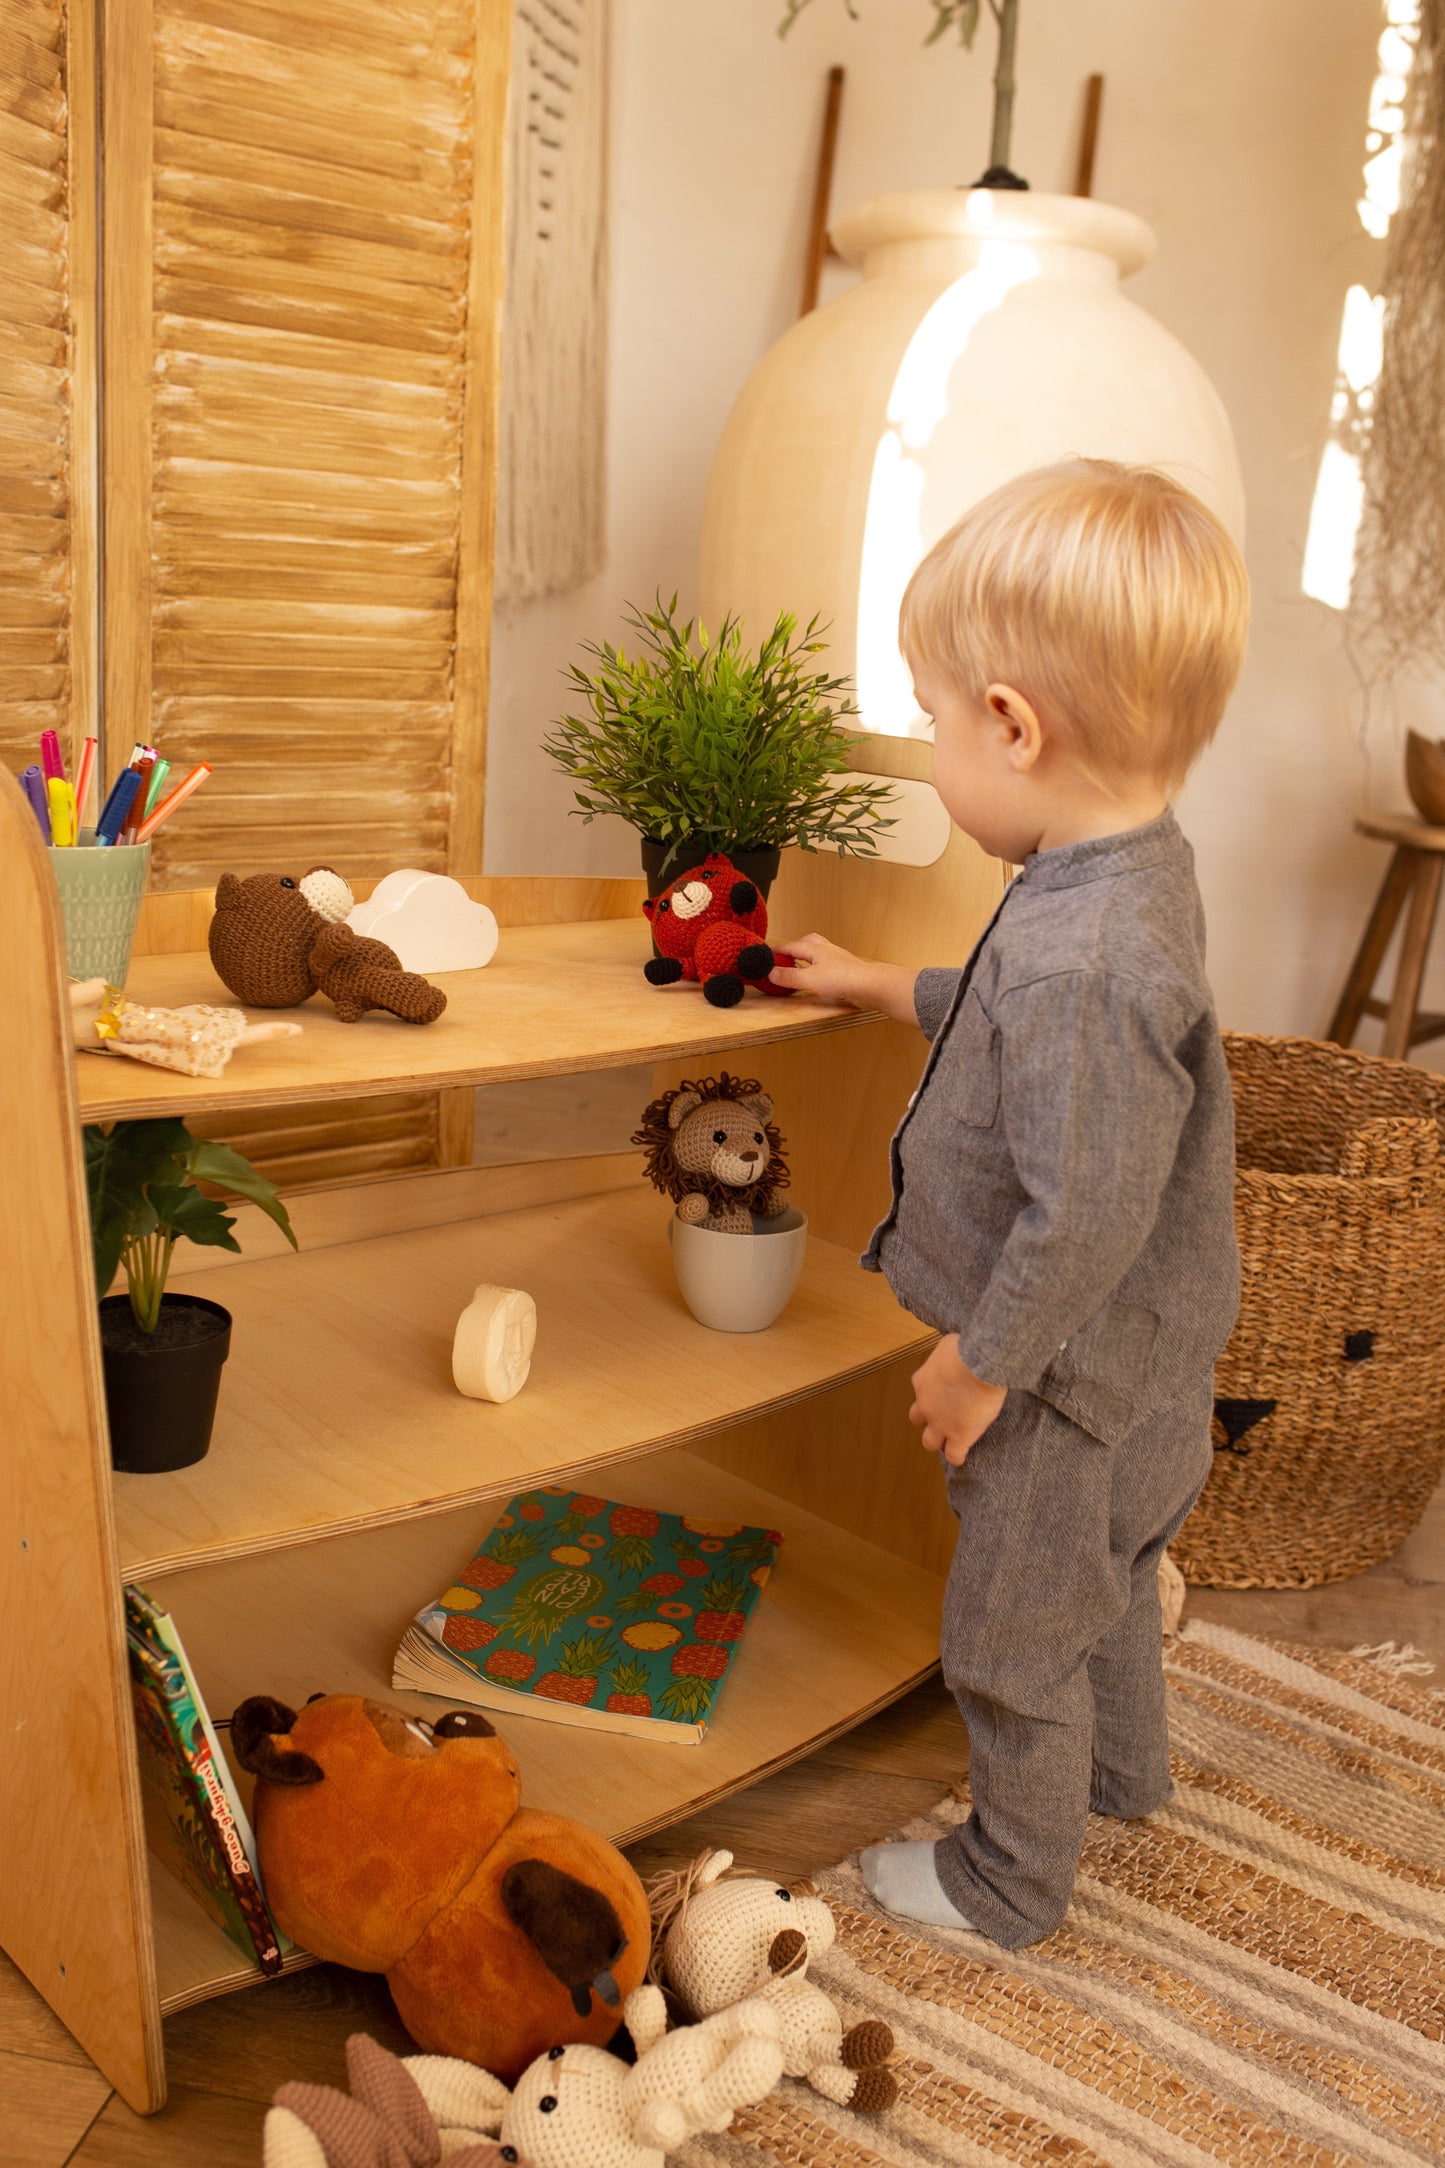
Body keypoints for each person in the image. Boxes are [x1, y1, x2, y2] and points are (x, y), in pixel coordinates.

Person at [770, 459, 1250, 1948]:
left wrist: (980, 1362)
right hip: (1149, 1370)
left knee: (1012, 1633)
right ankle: (1121, 1778)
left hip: (1062, 1386)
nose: (926, 752)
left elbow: (1086, 1203)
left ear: (1012, 726)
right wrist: (878, 983)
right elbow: (1021, 1033)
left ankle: (1009, 1882)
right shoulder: (1122, 881)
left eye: (928, 720)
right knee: (1110, 1583)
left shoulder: (1080, 955)